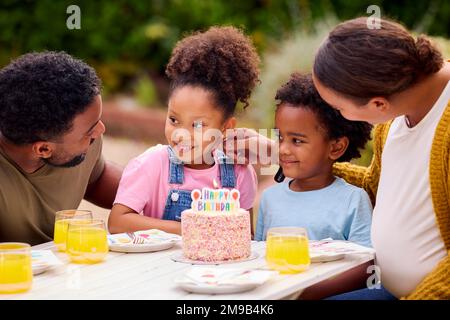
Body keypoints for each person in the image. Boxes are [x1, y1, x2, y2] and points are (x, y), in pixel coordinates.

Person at [231, 17, 450, 300]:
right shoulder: (395, 112)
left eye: (338, 107)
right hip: (386, 290)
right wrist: (283, 154)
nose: (339, 114)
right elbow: (378, 184)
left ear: (377, 103)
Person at [108, 26, 260, 235]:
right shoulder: (152, 165)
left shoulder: (239, 173)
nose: (181, 134)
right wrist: (188, 228)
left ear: (226, 128)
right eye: (174, 119)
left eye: (197, 125)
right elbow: (117, 223)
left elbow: (245, 236)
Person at [0, 51, 122, 245]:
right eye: (89, 131)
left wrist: (156, 194)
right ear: (43, 150)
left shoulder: (80, 146)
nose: (100, 130)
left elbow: (96, 179)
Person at [255, 73, 373, 247]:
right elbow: (261, 255)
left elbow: (364, 263)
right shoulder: (269, 199)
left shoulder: (353, 200)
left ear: (336, 147)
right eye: (280, 138)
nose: (283, 149)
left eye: (297, 141)